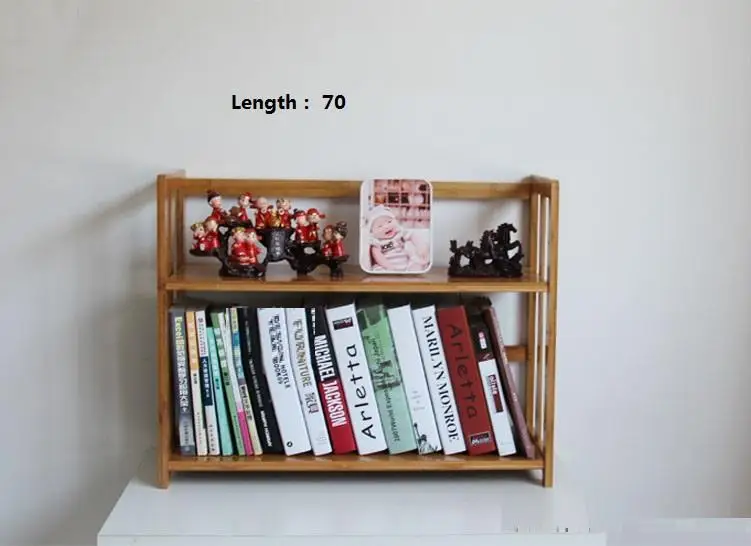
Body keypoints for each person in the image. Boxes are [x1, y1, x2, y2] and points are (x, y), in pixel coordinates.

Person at [366, 205, 428, 272]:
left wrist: (420, 247)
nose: (386, 226)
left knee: (409, 245)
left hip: (407, 264)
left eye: (389, 222)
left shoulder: (400, 233)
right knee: (378, 269)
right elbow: (377, 255)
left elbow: (412, 235)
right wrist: (388, 266)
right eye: (380, 226)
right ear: (372, 232)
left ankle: (413, 269)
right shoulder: (377, 242)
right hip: (388, 266)